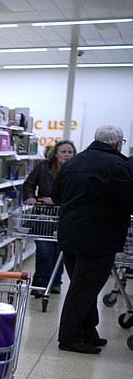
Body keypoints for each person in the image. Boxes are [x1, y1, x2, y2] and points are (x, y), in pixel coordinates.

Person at [51, 125, 133, 354]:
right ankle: (69, 338)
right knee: (84, 290)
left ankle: (89, 333)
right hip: (100, 238)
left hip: (69, 235)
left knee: (82, 286)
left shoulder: (73, 163)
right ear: (117, 144)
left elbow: (56, 195)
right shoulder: (119, 166)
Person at [22, 140, 75, 295]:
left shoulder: (75, 169)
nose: (66, 155)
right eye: (63, 152)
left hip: (64, 215)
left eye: (70, 152)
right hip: (43, 215)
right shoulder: (43, 166)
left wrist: (57, 199)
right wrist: (30, 197)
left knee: (59, 251)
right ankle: (40, 282)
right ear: (55, 153)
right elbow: (29, 184)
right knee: (44, 250)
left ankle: (56, 282)